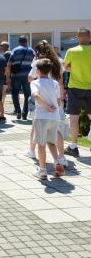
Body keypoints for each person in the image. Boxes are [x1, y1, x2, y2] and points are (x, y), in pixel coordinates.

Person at [26, 40, 67, 168]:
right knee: (56, 130)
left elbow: (30, 78)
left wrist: (37, 83)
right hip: (56, 100)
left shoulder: (37, 63)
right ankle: (61, 157)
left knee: (36, 125)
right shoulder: (58, 62)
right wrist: (60, 98)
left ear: (38, 52)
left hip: (41, 100)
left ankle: (32, 151)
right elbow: (60, 83)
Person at [31, 59, 64, 179]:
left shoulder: (35, 83)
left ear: (38, 71)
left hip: (42, 116)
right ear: (50, 71)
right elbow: (59, 100)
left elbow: (35, 95)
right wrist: (54, 108)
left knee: (41, 144)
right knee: (51, 141)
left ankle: (43, 170)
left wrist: (46, 106)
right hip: (55, 117)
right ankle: (57, 163)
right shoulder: (55, 83)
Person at [63, 27, 91, 158]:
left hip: (75, 87)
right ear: (89, 37)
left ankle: (73, 147)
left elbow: (65, 67)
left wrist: (74, 69)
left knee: (74, 117)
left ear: (78, 38)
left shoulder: (72, 51)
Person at [7, 35, 35, 120]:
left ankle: (18, 110)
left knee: (15, 93)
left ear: (19, 41)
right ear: (26, 41)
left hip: (16, 76)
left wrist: (8, 77)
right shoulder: (32, 51)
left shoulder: (15, 50)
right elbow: (35, 64)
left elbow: (9, 64)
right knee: (27, 95)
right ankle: (24, 113)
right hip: (28, 76)